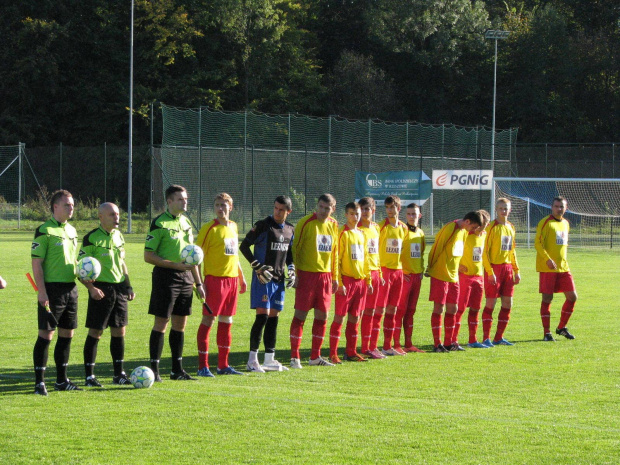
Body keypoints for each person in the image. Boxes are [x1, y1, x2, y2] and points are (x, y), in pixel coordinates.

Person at [145, 185, 205, 381]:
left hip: (186, 278)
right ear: (169, 201)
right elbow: (148, 256)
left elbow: (192, 256)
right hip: (166, 277)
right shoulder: (159, 223)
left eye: (185, 198)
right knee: (162, 322)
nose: (184, 202)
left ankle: (176, 370)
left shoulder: (186, 222)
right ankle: (154, 369)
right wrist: (174, 266)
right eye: (180, 199)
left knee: (180, 324)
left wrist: (199, 284)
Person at [79, 202, 135, 387]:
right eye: (112, 214)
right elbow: (81, 267)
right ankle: (89, 376)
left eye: (117, 214)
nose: (116, 217)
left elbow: (122, 262)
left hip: (118, 288)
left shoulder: (119, 236)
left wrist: (128, 286)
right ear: (100, 217)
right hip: (100, 288)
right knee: (96, 331)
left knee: (119, 330)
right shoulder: (91, 238)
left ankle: (119, 374)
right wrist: (91, 289)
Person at [31, 189, 80, 395]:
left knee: (67, 334)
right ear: (55, 207)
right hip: (52, 289)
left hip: (71, 288)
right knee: (46, 334)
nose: (71, 208)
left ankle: (61, 380)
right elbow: (36, 263)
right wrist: (42, 292)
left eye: (72, 205)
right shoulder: (44, 230)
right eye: (67, 205)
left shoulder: (72, 230)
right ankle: (39, 382)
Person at [239, 195, 295, 373]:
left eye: (281, 210)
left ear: (288, 211)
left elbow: (289, 253)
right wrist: (257, 267)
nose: (277, 212)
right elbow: (244, 246)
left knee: (274, 318)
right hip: (264, 278)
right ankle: (252, 360)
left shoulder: (290, 229)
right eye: (276, 208)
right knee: (262, 316)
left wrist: (291, 269)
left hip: (279, 280)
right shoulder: (263, 225)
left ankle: (270, 359)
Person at [196, 193, 247, 376]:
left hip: (232, 280)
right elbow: (196, 258)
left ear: (230, 207)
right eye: (217, 205)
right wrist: (199, 282)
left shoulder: (233, 226)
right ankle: (203, 366)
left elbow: (234, 255)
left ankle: (223, 365)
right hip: (214, 280)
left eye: (223, 205)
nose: (220, 209)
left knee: (227, 321)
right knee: (208, 320)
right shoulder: (208, 229)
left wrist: (241, 276)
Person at [289, 194, 339, 368]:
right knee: (300, 315)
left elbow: (335, 252)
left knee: (323, 316)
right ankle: (295, 357)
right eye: (321, 207)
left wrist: (335, 276)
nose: (324, 211)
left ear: (333, 209)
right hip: (306, 275)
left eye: (328, 208)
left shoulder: (333, 225)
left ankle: (315, 357)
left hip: (325, 276)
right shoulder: (305, 223)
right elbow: (294, 249)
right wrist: (294, 273)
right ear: (316, 206)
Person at [426, 211, 483, 352]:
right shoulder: (450, 228)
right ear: (468, 222)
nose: (474, 231)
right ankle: (437, 344)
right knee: (439, 308)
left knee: (453, 308)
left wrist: (458, 266)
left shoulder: (464, 232)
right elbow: (436, 248)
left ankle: (449, 343)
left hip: (454, 276)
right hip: (440, 274)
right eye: (474, 227)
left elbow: (457, 252)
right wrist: (430, 267)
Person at [329, 202, 372, 363]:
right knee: (340, 317)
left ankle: (351, 352)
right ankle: (333, 353)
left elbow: (366, 259)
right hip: (346, 281)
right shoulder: (342, 234)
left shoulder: (362, 233)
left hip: (360, 282)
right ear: (346, 215)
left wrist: (368, 280)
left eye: (357, 213)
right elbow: (336, 261)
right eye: (352, 214)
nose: (355, 216)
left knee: (355, 318)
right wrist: (339, 283)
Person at [535, 196, 577, 341]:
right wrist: (547, 259)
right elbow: (537, 244)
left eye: (561, 207)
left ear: (566, 208)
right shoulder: (545, 222)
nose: (559, 209)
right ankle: (547, 333)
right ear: (552, 207)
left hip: (563, 267)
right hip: (547, 268)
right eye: (556, 206)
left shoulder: (565, 223)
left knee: (572, 297)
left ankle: (561, 328)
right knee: (547, 298)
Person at [481, 198, 521, 347]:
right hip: (494, 269)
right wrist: (490, 272)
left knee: (508, 303)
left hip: (508, 269)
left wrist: (516, 270)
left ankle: (499, 337)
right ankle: (486, 338)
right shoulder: (491, 227)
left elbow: (512, 250)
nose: (504, 211)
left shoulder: (511, 227)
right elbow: (484, 252)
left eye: (506, 209)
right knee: (491, 303)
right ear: (496, 210)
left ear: (510, 210)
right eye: (501, 209)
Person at [454, 210, 490, 349]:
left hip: (479, 276)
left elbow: (483, 255)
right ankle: (454, 339)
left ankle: (473, 340)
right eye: (481, 224)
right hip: (465, 277)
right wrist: (457, 265)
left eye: (486, 224)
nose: (483, 227)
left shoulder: (484, 235)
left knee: (475, 309)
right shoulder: (465, 234)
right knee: (460, 309)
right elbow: (454, 249)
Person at [376, 196, 407, 356]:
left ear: (398, 208)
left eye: (392, 207)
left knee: (393, 310)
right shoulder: (381, 227)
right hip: (384, 271)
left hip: (398, 272)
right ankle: (372, 346)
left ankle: (388, 346)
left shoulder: (404, 228)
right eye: (387, 207)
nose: (389, 210)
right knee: (379, 309)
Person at [395, 203, 425, 353]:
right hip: (405, 277)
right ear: (405, 216)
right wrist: (401, 271)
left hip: (416, 278)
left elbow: (421, 253)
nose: (412, 217)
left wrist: (421, 269)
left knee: (411, 310)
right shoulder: (402, 231)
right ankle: (396, 344)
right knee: (400, 310)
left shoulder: (420, 233)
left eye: (414, 214)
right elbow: (395, 253)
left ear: (419, 216)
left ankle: (408, 343)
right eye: (409, 214)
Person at [358, 197, 385, 359]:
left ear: (373, 210)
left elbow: (377, 254)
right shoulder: (356, 229)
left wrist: (380, 273)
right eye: (362, 209)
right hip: (362, 275)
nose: (365, 212)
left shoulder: (376, 228)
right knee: (360, 312)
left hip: (376, 274)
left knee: (374, 311)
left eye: (368, 209)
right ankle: (359, 347)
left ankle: (372, 346)